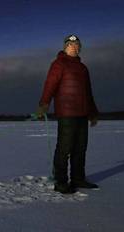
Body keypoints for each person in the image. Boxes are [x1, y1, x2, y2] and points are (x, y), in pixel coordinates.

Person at [37, 34, 99, 194]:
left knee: (80, 148)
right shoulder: (58, 64)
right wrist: (43, 104)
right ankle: (61, 182)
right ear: (65, 47)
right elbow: (49, 85)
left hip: (82, 113)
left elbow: (88, 92)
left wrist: (93, 112)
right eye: (71, 45)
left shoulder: (83, 68)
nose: (74, 47)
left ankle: (78, 179)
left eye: (77, 45)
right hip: (66, 113)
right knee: (64, 148)